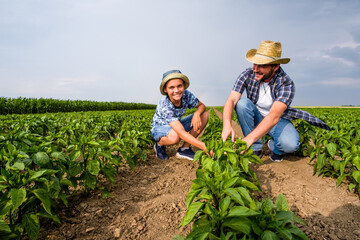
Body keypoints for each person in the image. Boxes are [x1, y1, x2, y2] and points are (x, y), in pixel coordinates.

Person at [222, 40, 331, 162]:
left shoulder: (285, 83)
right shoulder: (247, 74)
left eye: (262, 65)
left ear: (275, 67)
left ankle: (274, 147)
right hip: (256, 116)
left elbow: (274, 116)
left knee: (291, 145)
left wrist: (248, 139)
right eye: (255, 64)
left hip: (277, 119)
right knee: (242, 104)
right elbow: (231, 100)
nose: (255, 69)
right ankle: (256, 147)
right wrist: (227, 125)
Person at [151, 69, 210, 160]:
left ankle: (184, 149)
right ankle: (159, 145)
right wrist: (203, 146)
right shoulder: (165, 105)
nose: (177, 90)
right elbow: (180, 132)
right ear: (165, 89)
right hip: (159, 129)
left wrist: (197, 114)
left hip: (175, 124)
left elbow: (202, 106)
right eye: (171, 87)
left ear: (184, 86)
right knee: (176, 136)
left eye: (179, 86)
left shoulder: (186, 95)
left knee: (204, 115)